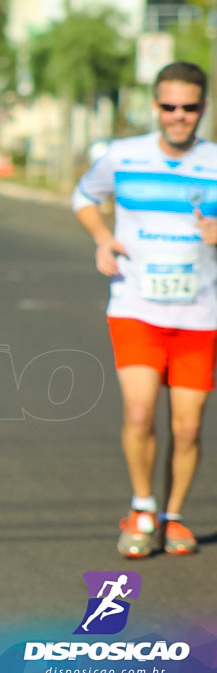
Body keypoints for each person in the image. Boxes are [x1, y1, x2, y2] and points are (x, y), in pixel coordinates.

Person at [72, 61, 217, 558]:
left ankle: (173, 516)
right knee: (139, 412)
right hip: (136, 305)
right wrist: (102, 238)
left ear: (202, 107)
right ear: (156, 107)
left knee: (188, 426)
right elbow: (84, 195)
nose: (179, 116)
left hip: (200, 313)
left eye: (190, 107)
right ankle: (142, 507)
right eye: (170, 106)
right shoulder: (122, 156)